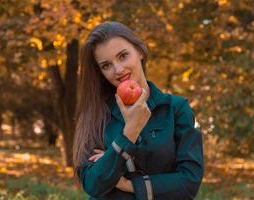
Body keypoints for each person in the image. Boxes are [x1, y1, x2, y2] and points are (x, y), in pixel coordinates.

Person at [73, 21, 204, 200]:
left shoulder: (176, 109)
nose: (118, 70)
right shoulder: (95, 114)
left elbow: (189, 182)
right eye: (106, 65)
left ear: (140, 51)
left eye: (123, 56)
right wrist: (129, 133)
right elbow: (93, 184)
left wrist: (126, 183)